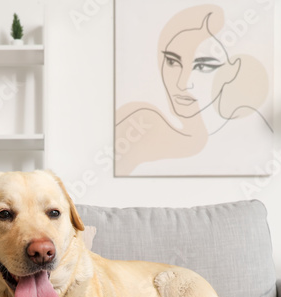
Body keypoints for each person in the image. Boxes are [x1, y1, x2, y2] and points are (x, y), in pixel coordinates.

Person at [115, 4, 272, 176]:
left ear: (232, 71)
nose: (183, 83)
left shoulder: (251, 134)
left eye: (202, 66)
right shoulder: (139, 123)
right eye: (172, 62)